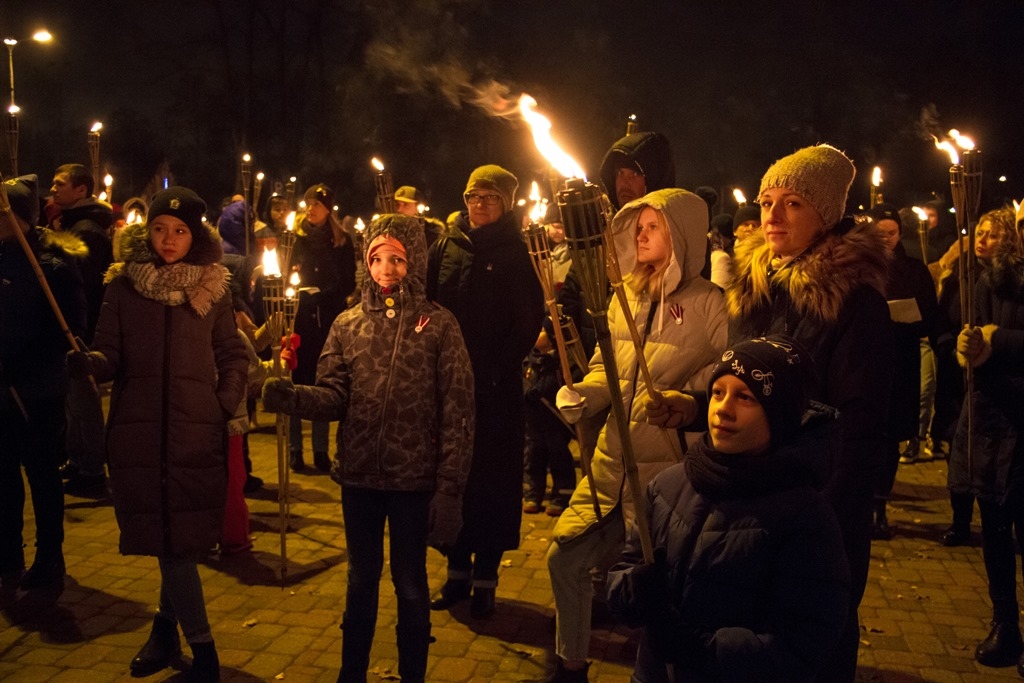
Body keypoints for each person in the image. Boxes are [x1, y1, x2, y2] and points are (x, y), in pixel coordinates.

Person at [263, 214, 475, 682]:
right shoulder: (347, 324)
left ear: (415, 262)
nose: (385, 268)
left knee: (410, 582)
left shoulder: (440, 326)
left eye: (397, 259)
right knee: (361, 580)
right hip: (359, 477)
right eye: (376, 258)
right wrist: (293, 396)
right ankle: (351, 672)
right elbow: (334, 395)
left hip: (413, 480)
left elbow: (458, 412)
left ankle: (412, 673)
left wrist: (449, 489)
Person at [543, 188, 728, 682]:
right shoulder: (622, 295)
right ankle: (571, 666)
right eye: (638, 227)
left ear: (683, 234)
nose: (641, 235)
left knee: (658, 590)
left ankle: (660, 671)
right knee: (565, 557)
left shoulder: (709, 303)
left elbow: (724, 376)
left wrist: (687, 400)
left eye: (653, 227)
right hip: (610, 463)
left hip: (664, 475)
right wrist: (583, 394)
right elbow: (608, 369)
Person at [724, 144, 894, 681]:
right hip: (753, 495)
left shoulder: (854, 300)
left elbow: (860, 422)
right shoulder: (751, 290)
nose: (771, 216)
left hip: (819, 504)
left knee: (813, 640)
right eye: (767, 200)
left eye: (793, 203)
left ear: (826, 216)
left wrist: (824, 509)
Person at [65, 187, 248, 682]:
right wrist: (92, 362)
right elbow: (110, 353)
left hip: (195, 431)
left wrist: (223, 401)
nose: (169, 239)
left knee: (180, 544)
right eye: (161, 229)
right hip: (138, 434)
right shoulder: (123, 286)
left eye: (181, 231)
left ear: (196, 237)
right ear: (148, 233)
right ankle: (192, 645)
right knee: (169, 543)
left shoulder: (213, 287)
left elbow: (233, 354)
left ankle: (179, 638)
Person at [607, 336, 850, 682]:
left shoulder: (804, 516)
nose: (723, 408)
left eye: (745, 397)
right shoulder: (668, 486)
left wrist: (699, 650)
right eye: (718, 392)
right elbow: (621, 572)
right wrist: (634, 591)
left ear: (779, 414)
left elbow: (804, 640)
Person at [427, 164, 544, 619]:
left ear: (506, 204)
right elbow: (429, 305)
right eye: (474, 195)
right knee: (452, 475)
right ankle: (456, 571)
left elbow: (528, 318)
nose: (479, 204)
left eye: (490, 197)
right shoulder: (446, 246)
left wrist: (499, 365)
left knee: (491, 480)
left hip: (495, 386)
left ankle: (486, 579)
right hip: (448, 382)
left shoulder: (516, 251)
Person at [0, 175, 86, 591]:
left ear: (18, 218)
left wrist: (18, 357)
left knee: (42, 475)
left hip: (36, 390)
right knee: (2, 474)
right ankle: (7, 553)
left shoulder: (50, 266)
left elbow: (67, 330)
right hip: (2, 388)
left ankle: (50, 557)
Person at [952, 213, 1024, 673]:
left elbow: (1000, 337)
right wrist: (968, 346)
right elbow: (972, 332)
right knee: (994, 526)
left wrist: (1002, 341)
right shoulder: (986, 281)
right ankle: (1005, 623)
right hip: (989, 415)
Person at [940, 207, 1017, 547]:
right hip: (976, 389)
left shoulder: (1008, 280)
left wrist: (992, 339)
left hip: (1009, 396)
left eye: (994, 234)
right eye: (980, 233)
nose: (983, 241)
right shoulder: (971, 274)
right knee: (970, 464)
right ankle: (961, 519)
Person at [868, 203, 940, 539]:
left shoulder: (914, 269)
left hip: (902, 359)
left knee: (890, 438)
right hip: (869, 361)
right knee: (869, 437)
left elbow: (931, 314)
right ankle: (865, 502)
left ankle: (880, 507)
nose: (887, 239)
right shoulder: (862, 266)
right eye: (880, 234)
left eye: (892, 233)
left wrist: (909, 317)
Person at [49, 163, 114, 494]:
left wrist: (78, 328)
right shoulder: (70, 225)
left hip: (80, 329)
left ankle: (91, 468)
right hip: (70, 326)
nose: (53, 189)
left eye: (61, 184)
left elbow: (84, 286)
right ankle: (77, 460)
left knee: (84, 400)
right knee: (73, 401)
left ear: (81, 190)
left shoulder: (86, 231)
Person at [288, 183, 356, 473]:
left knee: (321, 383)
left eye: (316, 204)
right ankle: (294, 450)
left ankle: (320, 450)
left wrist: (325, 294)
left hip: (327, 319)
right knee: (294, 382)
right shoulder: (295, 239)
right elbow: (285, 272)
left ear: (327, 209)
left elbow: (348, 280)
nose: (310, 209)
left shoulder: (341, 241)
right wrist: (299, 289)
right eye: (308, 203)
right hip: (300, 318)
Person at [523, 205, 576, 517]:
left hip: (555, 369)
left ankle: (563, 492)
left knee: (556, 443)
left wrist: (550, 338)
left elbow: (562, 311)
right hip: (533, 373)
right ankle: (534, 491)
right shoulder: (539, 267)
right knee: (533, 446)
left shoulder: (569, 268)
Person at [598, 131, 676, 212]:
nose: (624, 183)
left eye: (635, 174)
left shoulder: (675, 223)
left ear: (656, 181)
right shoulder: (604, 222)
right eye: (620, 173)